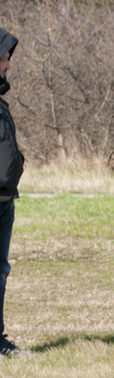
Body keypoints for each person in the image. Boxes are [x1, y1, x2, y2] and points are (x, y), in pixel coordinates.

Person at [0, 26, 26, 358]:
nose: (8, 64)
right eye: (4, 58)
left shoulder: (1, 102)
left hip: (6, 201)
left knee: (0, 272)